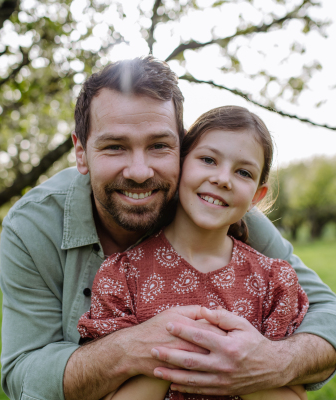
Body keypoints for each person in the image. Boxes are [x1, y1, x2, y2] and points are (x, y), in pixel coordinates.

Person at [0, 56, 336, 400]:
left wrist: (269, 363)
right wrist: (134, 349)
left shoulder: (218, 207)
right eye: (115, 147)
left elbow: (332, 317)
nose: (140, 172)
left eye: (159, 146)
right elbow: (23, 371)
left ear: (181, 148)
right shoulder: (33, 225)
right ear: (81, 152)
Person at [78, 105, 309, 400]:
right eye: (209, 160)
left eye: (243, 172)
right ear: (180, 164)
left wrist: (235, 359)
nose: (223, 179)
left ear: (257, 196)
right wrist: (179, 346)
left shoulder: (274, 281)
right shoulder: (121, 275)